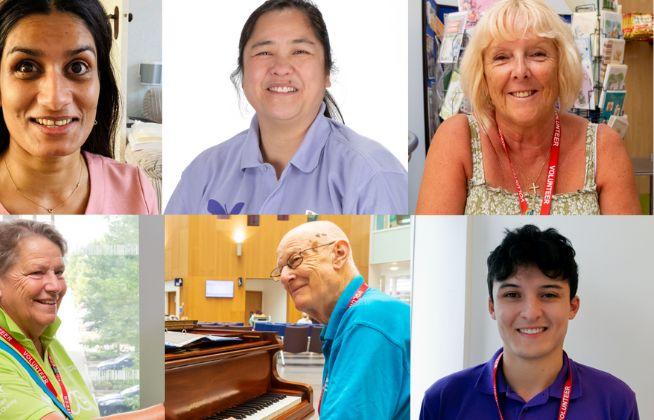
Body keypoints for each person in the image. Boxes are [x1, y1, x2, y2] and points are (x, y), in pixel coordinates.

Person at [166, 0, 407, 215]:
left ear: (326, 73)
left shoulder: (373, 175)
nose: (281, 67)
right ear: (242, 72)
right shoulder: (203, 173)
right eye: (264, 52)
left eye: (300, 51)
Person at [0, 0, 158, 215]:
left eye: (77, 67)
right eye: (26, 67)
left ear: (100, 85)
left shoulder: (136, 190)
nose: (54, 100)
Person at [417, 0, 638, 215]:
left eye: (537, 54)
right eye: (502, 57)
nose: (520, 71)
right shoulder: (456, 138)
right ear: (482, 73)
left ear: (561, 65)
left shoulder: (604, 147)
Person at [0, 220, 164, 419]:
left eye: (58, 272)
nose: (55, 286)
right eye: (37, 272)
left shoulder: (47, 344)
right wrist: (169, 411)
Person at [420, 225, 639, 419]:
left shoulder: (615, 400)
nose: (531, 313)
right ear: (492, 307)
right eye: (513, 295)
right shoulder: (444, 399)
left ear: (572, 306)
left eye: (549, 295)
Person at [273, 221, 410, 419]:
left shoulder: (368, 322)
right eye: (280, 270)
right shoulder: (359, 315)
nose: (284, 277)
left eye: (294, 260)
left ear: (339, 254)